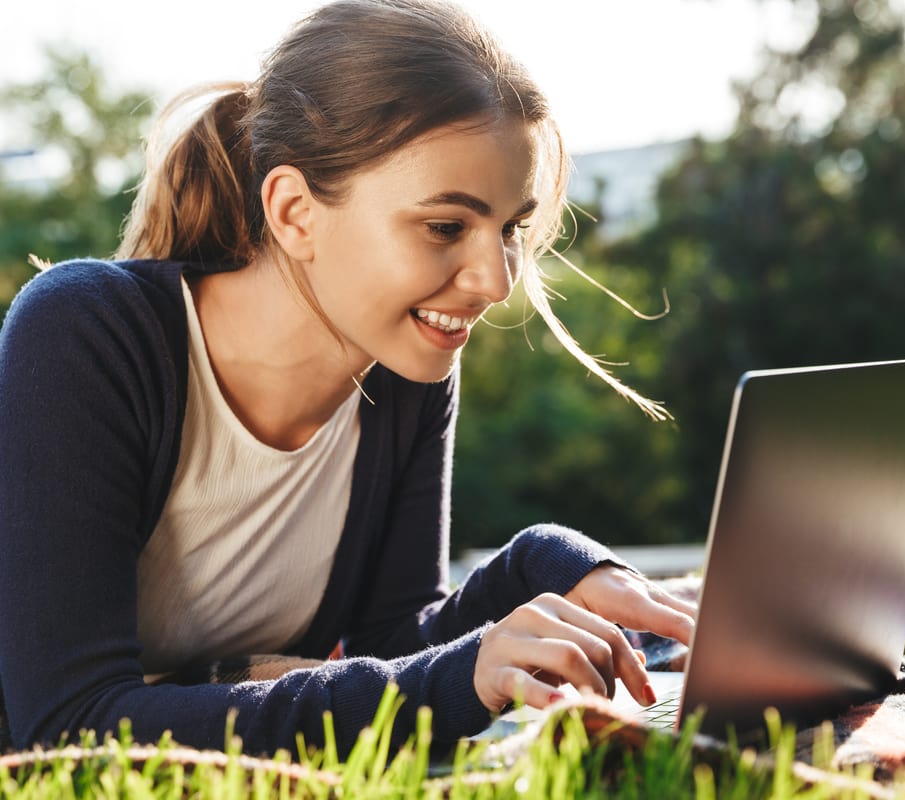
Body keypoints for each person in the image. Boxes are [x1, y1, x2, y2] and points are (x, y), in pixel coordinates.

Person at [0, 0, 695, 756]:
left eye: (511, 229)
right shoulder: (85, 335)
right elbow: (67, 725)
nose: (496, 281)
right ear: (295, 212)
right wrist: (454, 676)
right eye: (445, 226)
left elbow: (397, 651)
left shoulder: (402, 370)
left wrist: (542, 570)